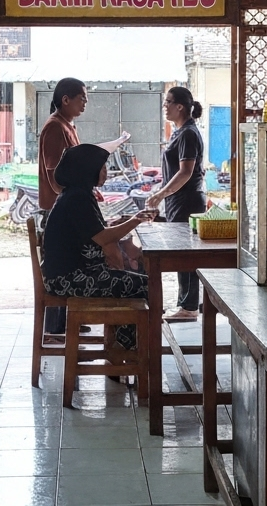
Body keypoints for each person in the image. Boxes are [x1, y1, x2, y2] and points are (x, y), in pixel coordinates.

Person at [40, 144, 152, 350]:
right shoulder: (77, 199)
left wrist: (122, 223)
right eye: (101, 168)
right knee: (146, 286)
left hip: (71, 273)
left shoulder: (78, 194)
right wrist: (136, 220)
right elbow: (102, 238)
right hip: (68, 279)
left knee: (136, 281)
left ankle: (123, 347)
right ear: (85, 170)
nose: (105, 172)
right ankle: (125, 350)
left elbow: (94, 231)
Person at [145, 86, 207, 320]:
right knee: (182, 253)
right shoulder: (179, 132)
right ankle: (186, 303)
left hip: (187, 200)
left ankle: (189, 306)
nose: (165, 106)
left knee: (186, 254)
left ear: (180, 106)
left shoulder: (188, 133)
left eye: (168, 102)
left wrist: (160, 194)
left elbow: (185, 172)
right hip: (177, 201)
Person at [36, 77, 87, 340]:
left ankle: (71, 316)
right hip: (58, 209)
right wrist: (74, 193)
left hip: (69, 207)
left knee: (73, 261)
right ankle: (55, 329)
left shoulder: (68, 126)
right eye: (82, 98)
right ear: (65, 99)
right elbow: (55, 175)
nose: (85, 104)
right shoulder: (54, 127)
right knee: (59, 265)